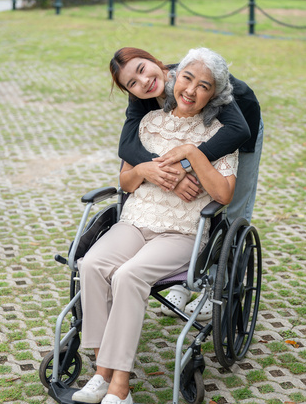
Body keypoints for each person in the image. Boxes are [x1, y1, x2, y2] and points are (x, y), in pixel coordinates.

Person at [71, 47, 238, 404]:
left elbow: (224, 195)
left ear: (214, 93)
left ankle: (119, 387)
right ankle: (102, 368)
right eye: (187, 80)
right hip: (135, 222)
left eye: (204, 86)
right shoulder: (149, 123)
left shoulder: (219, 134)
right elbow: (125, 181)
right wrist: (145, 169)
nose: (192, 90)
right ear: (173, 77)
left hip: (180, 231)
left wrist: (192, 156)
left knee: (129, 276)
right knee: (93, 263)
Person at [110, 47, 263, 318]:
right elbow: (128, 147)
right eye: (132, 83)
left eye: (143, 69)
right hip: (190, 141)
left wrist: (185, 166)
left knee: (230, 208)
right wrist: (165, 175)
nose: (143, 82)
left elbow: (238, 130)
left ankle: (218, 285)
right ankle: (180, 285)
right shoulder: (141, 98)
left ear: (156, 62)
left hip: (238, 130)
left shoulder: (193, 79)